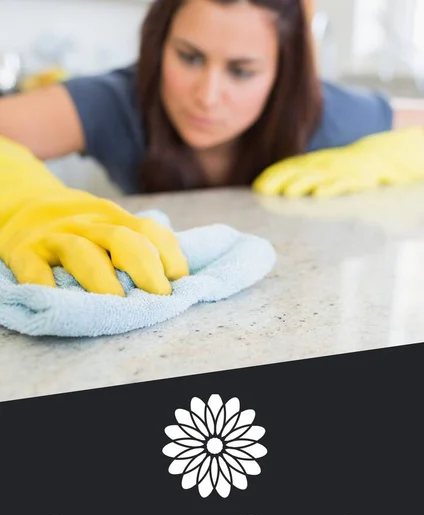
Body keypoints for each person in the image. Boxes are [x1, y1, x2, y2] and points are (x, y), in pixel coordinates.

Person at [1, 0, 424, 295]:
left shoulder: (325, 113)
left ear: (282, 72)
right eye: (190, 58)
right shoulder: (116, 102)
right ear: (158, 44)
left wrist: (396, 155)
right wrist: (23, 203)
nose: (207, 96)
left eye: (241, 71)